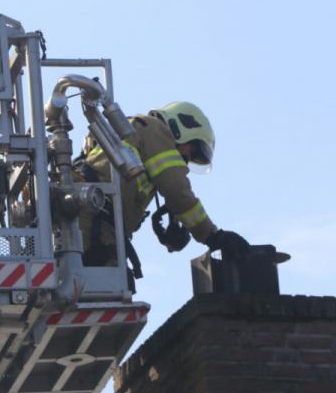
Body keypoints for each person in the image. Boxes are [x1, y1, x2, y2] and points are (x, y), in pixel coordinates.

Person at [76, 101, 251, 278]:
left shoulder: (137, 132)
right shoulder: (156, 129)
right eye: (193, 149)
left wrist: (172, 229)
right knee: (109, 291)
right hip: (93, 225)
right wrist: (213, 236)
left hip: (90, 223)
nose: (187, 159)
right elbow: (177, 191)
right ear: (181, 127)